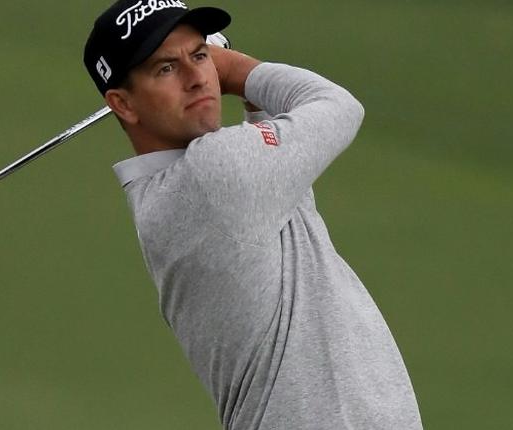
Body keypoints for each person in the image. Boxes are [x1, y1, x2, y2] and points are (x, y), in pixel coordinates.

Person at [83, 1, 423, 428]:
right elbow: (337, 105)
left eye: (199, 55)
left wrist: (229, 81)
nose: (196, 79)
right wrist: (233, 69)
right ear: (123, 103)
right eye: (166, 69)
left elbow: (268, 155)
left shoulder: (179, 191)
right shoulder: (214, 174)